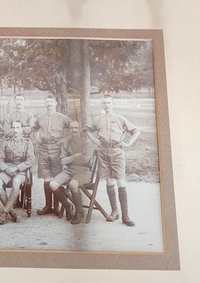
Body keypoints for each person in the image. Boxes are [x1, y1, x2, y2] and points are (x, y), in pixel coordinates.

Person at [84, 95, 141, 226]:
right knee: (109, 181)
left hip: (117, 152)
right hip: (103, 152)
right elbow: (86, 129)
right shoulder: (98, 119)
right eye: (104, 103)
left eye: (109, 103)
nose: (106, 105)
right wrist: (94, 140)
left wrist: (128, 143)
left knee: (120, 182)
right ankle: (114, 212)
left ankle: (125, 216)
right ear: (101, 104)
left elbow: (136, 131)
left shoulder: (120, 119)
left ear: (113, 103)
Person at [32, 94, 71, 215]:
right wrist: (37, 139)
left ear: (56, 103)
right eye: (47, 102)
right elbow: (34, 129)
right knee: (46, 177)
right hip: (44, 148)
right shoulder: (40, 117)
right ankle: (48, 206)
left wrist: (64, 140)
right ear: (44, 103)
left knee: (56, 178)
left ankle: (56, 207)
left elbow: (74, 128)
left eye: (51, 102)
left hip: (56, 148)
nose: (48, 104)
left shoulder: (62, 117)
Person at [49, 121, 94, 224]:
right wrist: (74, 156)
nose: (73, 130)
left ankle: (79, 212)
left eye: (76, 128)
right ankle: (68, 206)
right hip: (69, 170)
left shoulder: (87, 142)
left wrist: (69, 159)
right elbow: (62, 161)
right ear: (69, 130)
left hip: (84, 171)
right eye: (71, 128)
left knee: (73, 184)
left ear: (80, 129)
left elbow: (84, 160)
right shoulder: (66, 143)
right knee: (53, 184)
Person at [0, 120, 35, 225]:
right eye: (14, 127)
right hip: (7, 169)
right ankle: (12, 213)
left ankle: (4, 213)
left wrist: (17, 169)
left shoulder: (27, 143)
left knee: (16, 182)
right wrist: (7, 169)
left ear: (22, 129)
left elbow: (30, 160)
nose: (15, 130)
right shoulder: (6, 142)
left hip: (20, 171)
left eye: (18, 128)